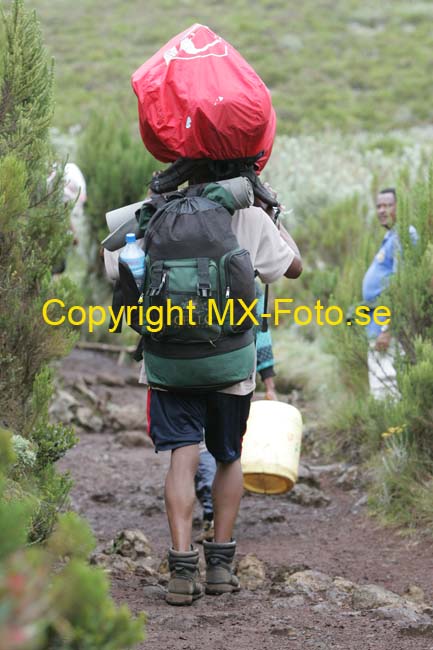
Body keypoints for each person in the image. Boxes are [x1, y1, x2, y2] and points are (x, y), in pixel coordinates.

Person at [143, 161, 302, 605]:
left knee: (182, 456)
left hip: (169, 362)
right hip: (230, 364)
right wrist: (274, 216)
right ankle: (219, 569)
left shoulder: (157, 211)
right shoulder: (249, 216)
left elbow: (115, 268)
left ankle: (180, 569)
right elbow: (293, 269)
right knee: (228, 456)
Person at [362, 187, 417, 400]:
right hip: (376, 322)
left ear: (398, 207)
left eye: (388, 205)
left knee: (387, 386)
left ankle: (393, 434)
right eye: (379, 206)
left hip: (387, 326)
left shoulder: (404, 234)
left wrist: (388, 328)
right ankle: (386, 432)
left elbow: (400, 284)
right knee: (380, 387)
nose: (382, 210)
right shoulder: (391, 237)